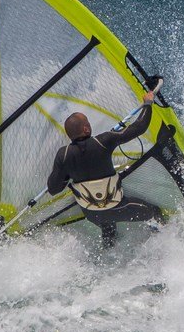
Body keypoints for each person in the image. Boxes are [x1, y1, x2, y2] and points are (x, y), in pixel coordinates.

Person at [46, 88, 162, 248]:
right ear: (86, 129)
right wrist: (148, 103)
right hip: (121, 207)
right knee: (154, 212)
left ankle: (108, 251)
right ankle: (161, 244)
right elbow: (139, 127)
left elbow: (53, 189)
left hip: (92, 215)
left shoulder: (63, 155)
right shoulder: (103, 141)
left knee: (107, 224)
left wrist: (66, 173)